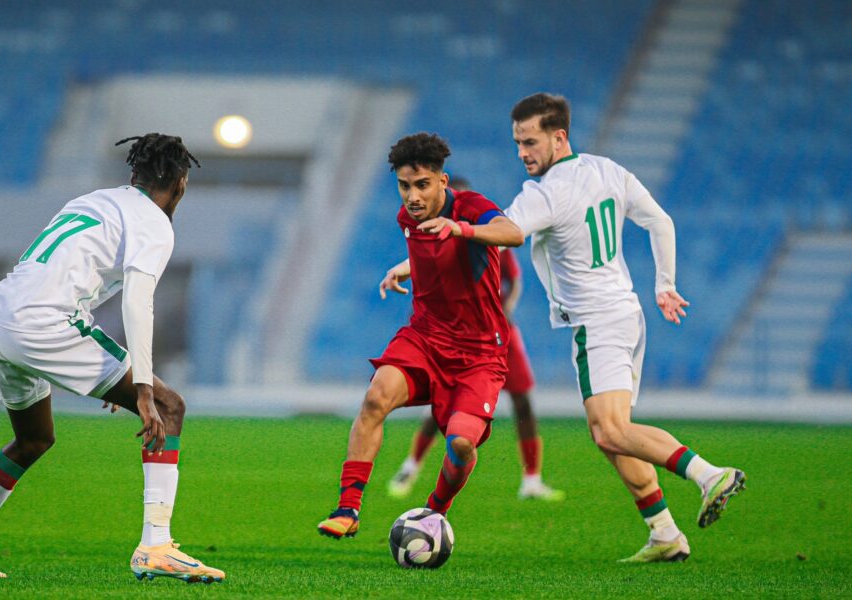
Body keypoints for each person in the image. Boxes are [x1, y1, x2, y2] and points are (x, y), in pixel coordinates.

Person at [0, 133, 225, 583]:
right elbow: (137, 301)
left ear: (133, 175)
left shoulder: (92, 201)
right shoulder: (155, 223)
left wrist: (109, 369)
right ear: (181, 184)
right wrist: (141, 387)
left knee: (33, 438)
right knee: (168, 406)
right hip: (41, 326)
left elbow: (62, 277)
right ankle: (156, 545)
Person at [502, 93, 746, 562]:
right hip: (626, 315)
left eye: (530, 142)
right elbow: (660, 221)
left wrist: (447, 237)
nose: (522, 153)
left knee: (611, 430)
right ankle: (664, 533)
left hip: (597, 322)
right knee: (614, 434)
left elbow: (505, 232)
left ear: (559, 137)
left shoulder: (546, 191)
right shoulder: (608, 170)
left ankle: (708, 474)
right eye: (517, 143)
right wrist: (665, 284)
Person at [317, 133, 524, 539]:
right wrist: (404, 268)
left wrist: (461, 229)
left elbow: (513, 234)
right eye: (404, 185)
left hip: (480, 354)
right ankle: (347, 508)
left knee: (461, 445)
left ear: (443, 181)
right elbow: (431, 251)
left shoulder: (469, 206)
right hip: (425, 338)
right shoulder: (407, 218)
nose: (412, 196)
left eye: (422, 185)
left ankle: (434, 512)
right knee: (376, 397)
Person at [387, 179, 565, 502]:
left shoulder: (484, 234)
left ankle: (532, 479)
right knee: (444, 409)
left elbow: (513, 278)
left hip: (498, 334)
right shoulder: (431, 240)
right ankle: (411, 466)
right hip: (454, 338)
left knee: (523, 401)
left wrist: (506, 310)